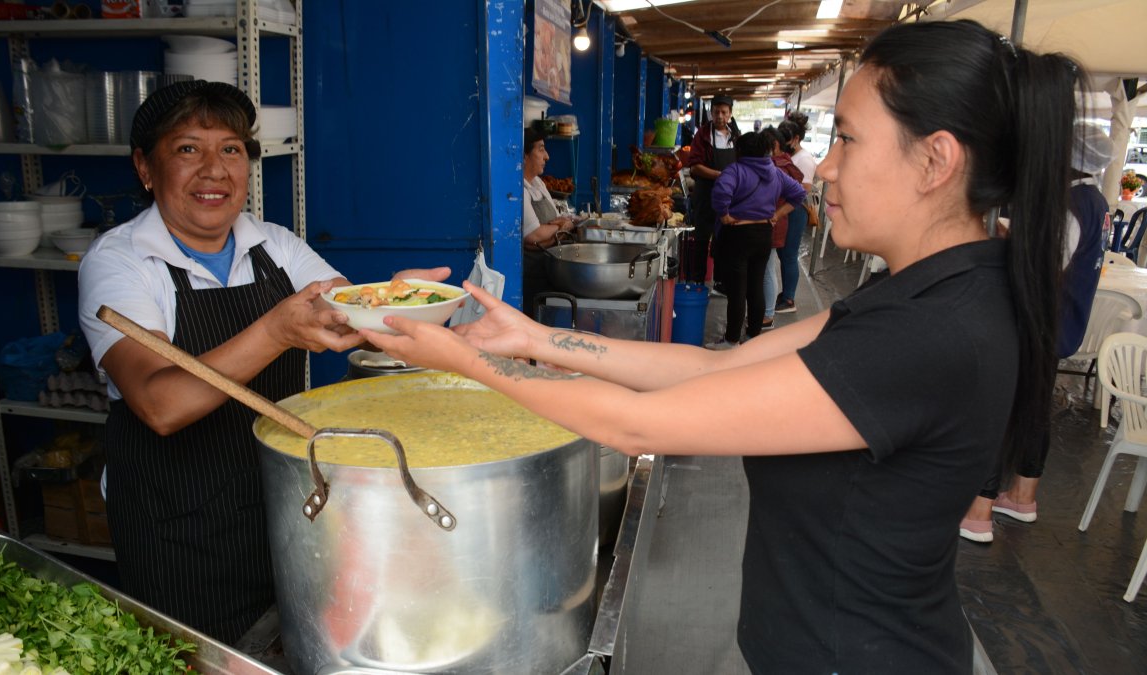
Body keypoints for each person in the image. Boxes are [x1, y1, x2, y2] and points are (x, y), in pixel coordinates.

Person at [359, 19, 1080, 672]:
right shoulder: (931, 293)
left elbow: (637, 424)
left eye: (849, 140)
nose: (824, 167)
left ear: (936, 161)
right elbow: (719, 364)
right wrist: (538, 337)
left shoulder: (932, 331)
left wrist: (466, 360)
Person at [77, 80, 449, 644]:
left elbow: (347, 313)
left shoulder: (274, 245)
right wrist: (277, 329)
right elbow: (159, 403)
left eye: (230, 149)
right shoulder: (121, 262)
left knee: (296, 640)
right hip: (175, 525)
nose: (214, 169)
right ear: (144, 167)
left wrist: (399, 307)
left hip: (282, 501)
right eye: (187, 149)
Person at [959, 120, 1114, 543]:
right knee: (1032, 407)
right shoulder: (1097, 202)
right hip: (1065, 323)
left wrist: (1003, 236)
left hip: (1036, 320)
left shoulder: (1069, 204)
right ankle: (1023, 496)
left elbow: (1043, 264)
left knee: (1000, 406)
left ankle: (978, 510)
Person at [706, 132, 805, 348]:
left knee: (737, 290)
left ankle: (732, 340)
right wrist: (777, 215)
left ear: (740, 150)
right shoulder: (775, 172)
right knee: (756, 286)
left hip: (738, 234)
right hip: (763, 234)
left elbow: (721, 192)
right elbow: (798, 193)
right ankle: (753, 336)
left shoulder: (736, 170)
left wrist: (724, 215)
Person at [683, 94, 741, 287]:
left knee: (723, 238)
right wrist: (720, 175)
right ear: (711, 112)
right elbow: (694, 167)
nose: (720, 116)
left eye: (724, 112)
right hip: (706, 195)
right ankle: (698, 280)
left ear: (730, 114)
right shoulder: (703, 135)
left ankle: (720, 280)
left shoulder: (736, 135)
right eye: (716, 112)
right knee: (701, 239)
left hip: (728, 197)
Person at [522, 127, 578, 315]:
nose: (547, 156)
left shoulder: (538, 183)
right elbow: (533, 236)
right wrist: (558, 228)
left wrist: (552, 232)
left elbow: (553, 225)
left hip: (548, 271)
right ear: (524, 156)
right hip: (531, 279)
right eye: (540, 149)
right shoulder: (519, 190)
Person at [760, 125, 806, 330]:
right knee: (768, 267)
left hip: (772, 225)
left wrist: (777, 214)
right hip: (774, 223)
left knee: (769, 268)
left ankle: (769, 313)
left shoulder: (777, 168)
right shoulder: (784, 163)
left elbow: (800, 194)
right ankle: (767, 310)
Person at [775, 113, 818, 313]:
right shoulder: (789, 156)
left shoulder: (804, 159)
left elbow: (805, 188)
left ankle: (790, 298)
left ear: (796, 139)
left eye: (786, 138)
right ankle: (785, 294)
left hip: (797, 210)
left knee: (790, 254)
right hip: (786, 209)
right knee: (783, 253)